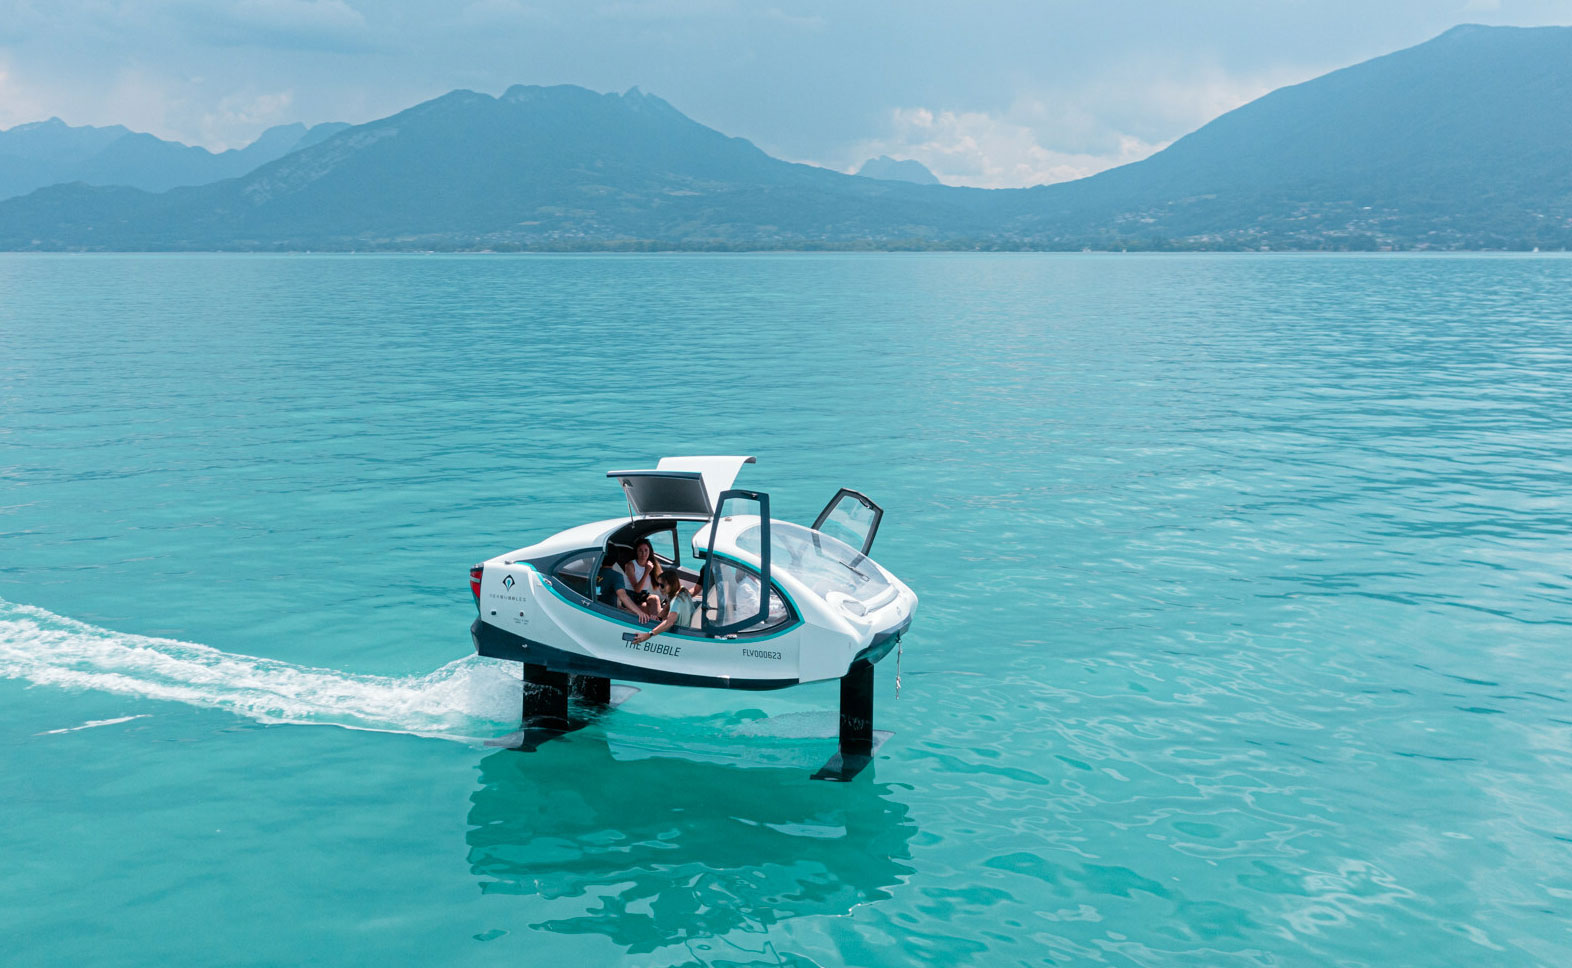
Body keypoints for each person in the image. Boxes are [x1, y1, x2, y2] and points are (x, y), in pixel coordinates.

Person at [632, 571, 698, 644]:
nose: (659, 588)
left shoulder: (676, 602)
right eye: (658, 584)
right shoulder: (683, 591)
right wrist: (659, 617)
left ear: (671, 585)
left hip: (678, 636)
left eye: (662, 586)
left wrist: (648, 635)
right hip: (687, 628)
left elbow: (669, 623)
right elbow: (668, 606)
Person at [598, 548, 657, 621]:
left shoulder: (595, 572)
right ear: (615, 560)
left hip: (598, 608)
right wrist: (639, 612)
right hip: (609, 613)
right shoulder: (616, 576)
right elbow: (623, 596)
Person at [623, 537, 663, 605]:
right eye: (640, 550)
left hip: (643, 595)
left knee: (655, 599)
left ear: (649, 551)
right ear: (636, 552)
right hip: (630, 597)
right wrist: (647, 572)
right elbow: (637, 590)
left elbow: (663, 581)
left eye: (646, 550)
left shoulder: (653, 565)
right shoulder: (630, 566)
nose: (643, 553)